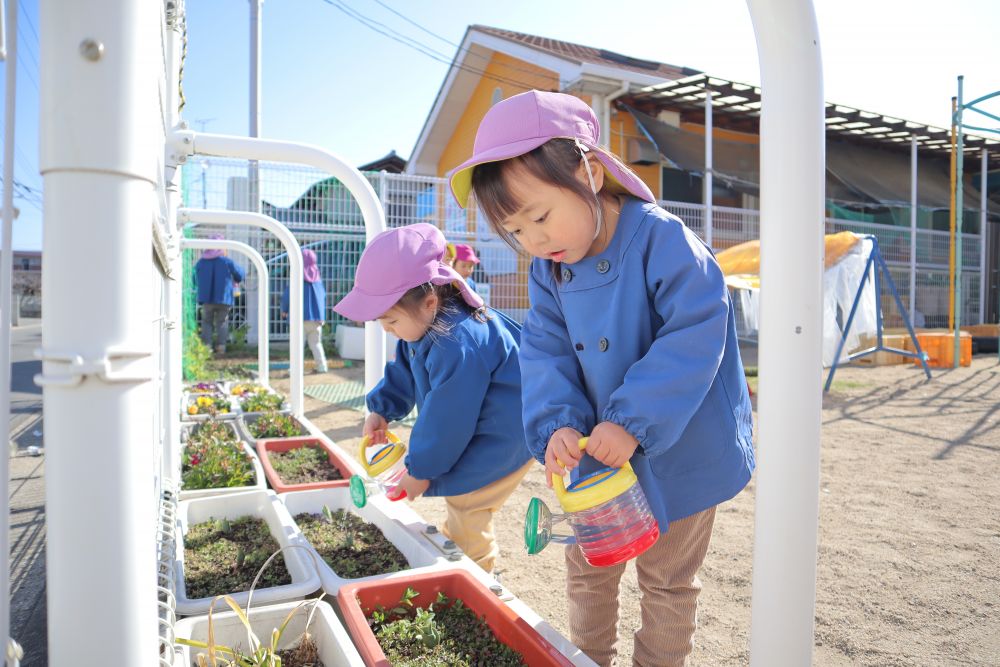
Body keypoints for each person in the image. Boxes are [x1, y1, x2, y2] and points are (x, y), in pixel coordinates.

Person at [449, 90, 754, 667]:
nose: (534, 242)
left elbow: (696, 329)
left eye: (539, 216)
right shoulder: (550, 268)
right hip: (597, 455)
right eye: (516, 232)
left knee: (666, 580)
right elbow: (545, 348)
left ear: (588, 170)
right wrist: (557, 423)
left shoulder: (662, 239)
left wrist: (634, 419)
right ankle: (586, 658)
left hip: (681, 448)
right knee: (589, 567)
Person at [333, 223, 532, 574]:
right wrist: (382, 408)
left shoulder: (458, 341)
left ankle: (476, 578)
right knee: (463, 504)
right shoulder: (425, 326)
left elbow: (448, 418)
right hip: (487, 426)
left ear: (428, 302)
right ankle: (467, 560)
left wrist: (420, 471)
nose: (386, 329)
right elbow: (405, 369)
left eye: (391, 320)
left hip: (505, 434)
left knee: (467, 506)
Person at [194, 236, 246, 354]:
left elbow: (194, 277)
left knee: (207, 321)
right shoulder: (227, 261)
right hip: (224, 298)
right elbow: (240, 275)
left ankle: (206, 347)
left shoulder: (201, 262)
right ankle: (221, 347)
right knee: (222, 322)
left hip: (207, 298)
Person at [281, 248, 328, 374]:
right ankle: (322, 366)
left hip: (299, 318)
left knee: (297, 345)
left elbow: (287, 295)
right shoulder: (318, 280)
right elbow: (323, 297)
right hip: (316, 319)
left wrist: (284, 310)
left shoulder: (297, 278)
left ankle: (295, 369)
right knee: (316, 344)